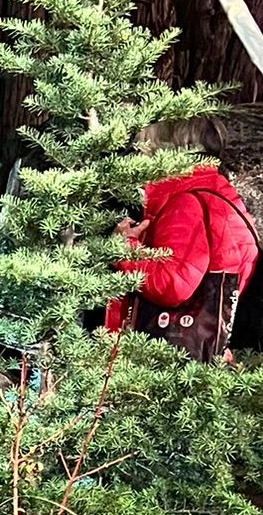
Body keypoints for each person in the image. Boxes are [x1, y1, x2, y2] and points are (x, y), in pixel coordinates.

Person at [107, 118, 259, 362]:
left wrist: (122, 249)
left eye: (144, 149)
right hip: (204, 349)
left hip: (166, 355)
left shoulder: (185, 204)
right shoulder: (224, 199)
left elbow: (173, 284)